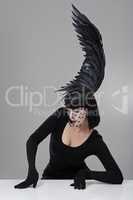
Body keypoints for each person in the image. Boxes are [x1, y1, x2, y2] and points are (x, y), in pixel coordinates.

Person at [14, 4, 124, 190]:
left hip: (78, 187)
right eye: (70, 110)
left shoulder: (94, 140)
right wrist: (32, 170)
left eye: (78, 110)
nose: (72, 114)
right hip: (49, 183)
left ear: (89, 111)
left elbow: (117, 177)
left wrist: (86, 174)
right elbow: (33, 140)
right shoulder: (60, 116)